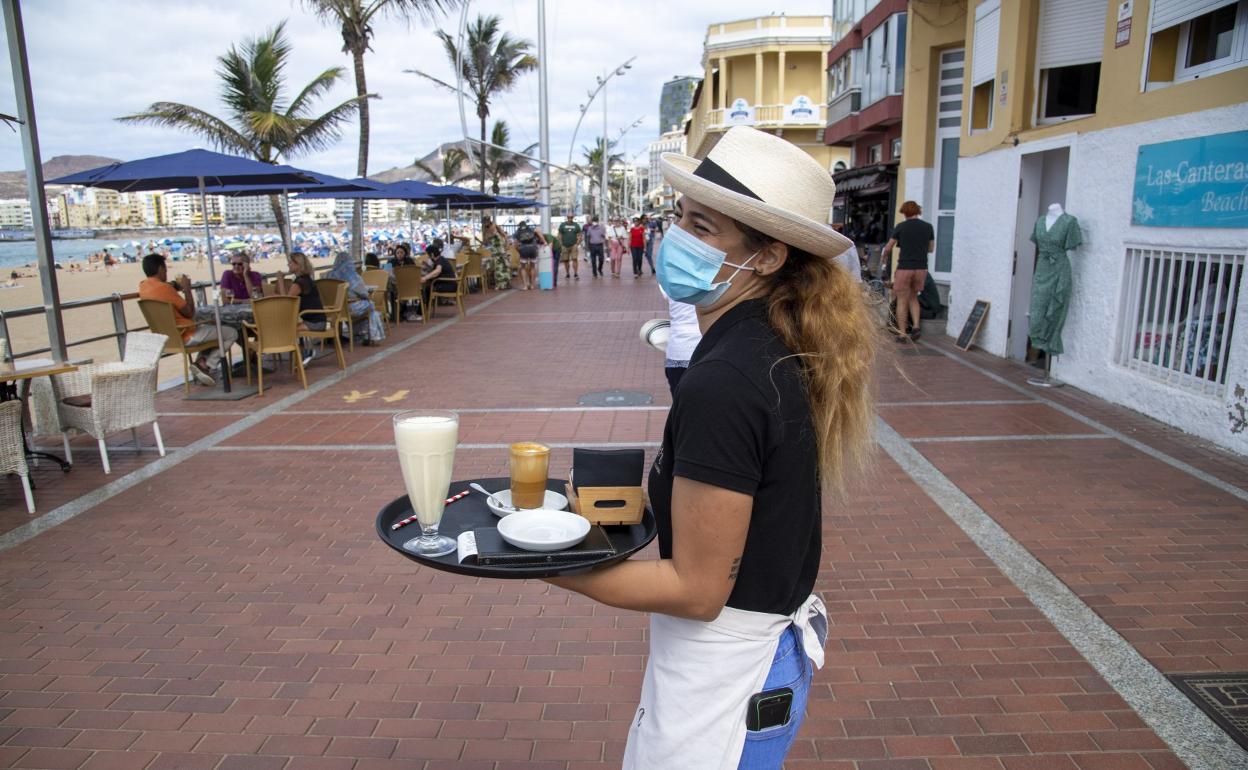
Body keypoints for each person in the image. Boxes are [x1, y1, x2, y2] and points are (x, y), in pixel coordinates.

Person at [544, 126, 877, 768]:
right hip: (751, 662)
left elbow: (698, 589)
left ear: (769, 257)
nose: (679, 240)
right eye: (681, 219)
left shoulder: (725, 381)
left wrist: (548, 567)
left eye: (704, 228)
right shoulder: (766, 347)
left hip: (728, 676)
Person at [139, 253, 238, 386]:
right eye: (165, 270)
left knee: (212, 328)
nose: (166, 273)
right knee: (231, 333)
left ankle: (201, 363)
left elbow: (166, 289)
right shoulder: (165, 288)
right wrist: (187, 289)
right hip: (185, 334)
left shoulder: (143, 287)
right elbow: (190, 313)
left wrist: (175, 285)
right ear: (160, 269)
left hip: (165, 338)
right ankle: (208, 365)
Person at [880, 200, 933, 342]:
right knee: (914, 297)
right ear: (918, 211)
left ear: (905, 212)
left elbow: (889, 247)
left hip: (904, 267)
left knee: (902, 300)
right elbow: (931, 249)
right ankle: (916, 326)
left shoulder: (901, 227)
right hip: (921, 267)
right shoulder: (928, 227)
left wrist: (884, 258)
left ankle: (902, 333)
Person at [326, 251, 385, 344]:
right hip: (348, 309)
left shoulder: (328, 275)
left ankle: (357, 333)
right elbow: (363, 293)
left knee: (364, 306)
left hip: (331, 310)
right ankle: (370, 335)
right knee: (370, 305)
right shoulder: (352, 276)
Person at [275, 251, 327, 335]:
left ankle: (294, 348)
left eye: (290, 262)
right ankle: (298, 347)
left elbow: (285, 301)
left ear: (298, 265)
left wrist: (280, 280)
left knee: (283, 332)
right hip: (316, 321)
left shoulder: (300, 282)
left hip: (314, 323)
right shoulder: (305, 279)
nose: (288, 264)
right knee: (283, 328)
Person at [482, 216, 511, 289]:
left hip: (501, 248)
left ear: (489, 221)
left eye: (486, 221)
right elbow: (485, 242)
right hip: (494, 250)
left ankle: (506, 283)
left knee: (505, 265)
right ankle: (500, 285)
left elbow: (504, 235)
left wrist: (507, 244)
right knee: (498, 267)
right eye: (484, 222)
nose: (485, 223)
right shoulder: (485, 230)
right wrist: (485, 233)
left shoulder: (495, 226)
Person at [513, 220, 543, 291]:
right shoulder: (531, 229)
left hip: (523, 249)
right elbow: (539, 233)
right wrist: (543, 241)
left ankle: (525, 286)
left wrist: (519, 250)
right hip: (533, 248)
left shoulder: (518, 232)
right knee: (533, 267)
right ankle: (532, 285)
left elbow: (515, 244)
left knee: (523, 267)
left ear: (519, 226)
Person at [558, 213, 582, 280]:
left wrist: (577, 243)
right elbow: (559, 235)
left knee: (574, 259)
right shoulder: (562, 225)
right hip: (564, 246)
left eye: (571, 217)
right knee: (566, 260)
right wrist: (560, 243)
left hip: (573, 245)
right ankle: (567, 273)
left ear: (573, 217)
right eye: (569, 217)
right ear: (567, 217)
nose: (570, 218)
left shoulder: (576, 225)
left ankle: (575, 273)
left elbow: (580, 234)